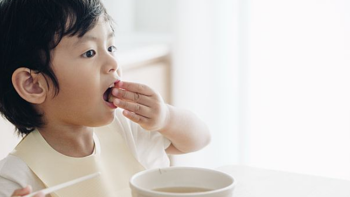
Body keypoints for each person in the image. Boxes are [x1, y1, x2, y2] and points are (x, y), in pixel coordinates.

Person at [0, 0, 211, 196]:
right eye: (90, 53)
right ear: (33, 85)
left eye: (110, 47)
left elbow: (199, 139)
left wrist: (166, 118)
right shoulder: (14, 178)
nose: (113, 62)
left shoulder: (128, 128)